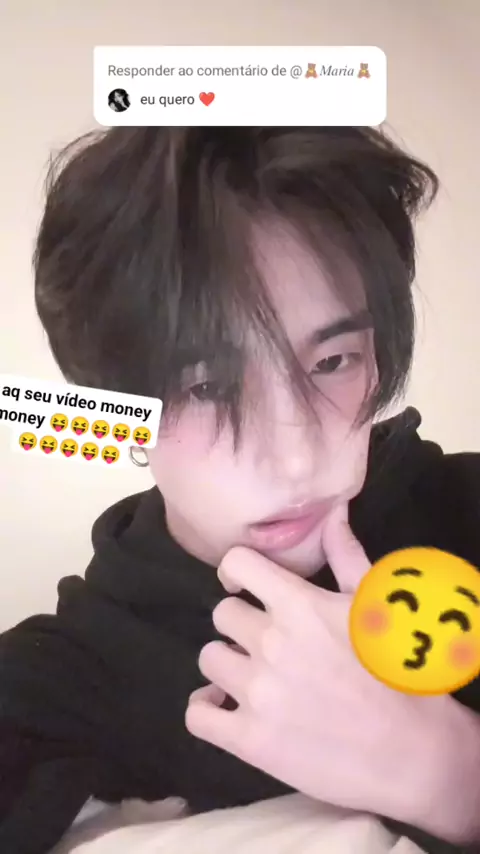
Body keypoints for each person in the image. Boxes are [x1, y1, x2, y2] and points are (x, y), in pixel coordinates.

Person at [1, 126, 480, 854]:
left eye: (333, 361)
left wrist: (450, 775)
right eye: (205, 387)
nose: (296, 457)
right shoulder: (57, 687)